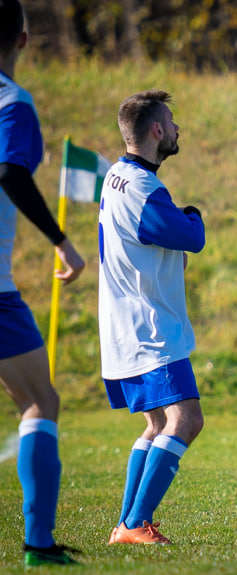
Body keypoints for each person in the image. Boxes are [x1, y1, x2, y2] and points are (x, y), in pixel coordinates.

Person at [98, 90, 206, 545]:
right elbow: (189, 236)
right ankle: (134, 524)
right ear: (157, 130)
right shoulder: (144, 188)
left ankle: (127, 522)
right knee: (185, 419)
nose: (178, 129)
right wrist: (194, 215)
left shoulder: (116, 176)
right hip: (150, 327)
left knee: (157, 424)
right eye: (172, 122)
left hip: (126, 323)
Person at [0, 0, 86, 566]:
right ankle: (38, 544)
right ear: (25, 38)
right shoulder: (12, 101)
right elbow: (11, 171)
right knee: (40, 400)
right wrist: (62, 241)